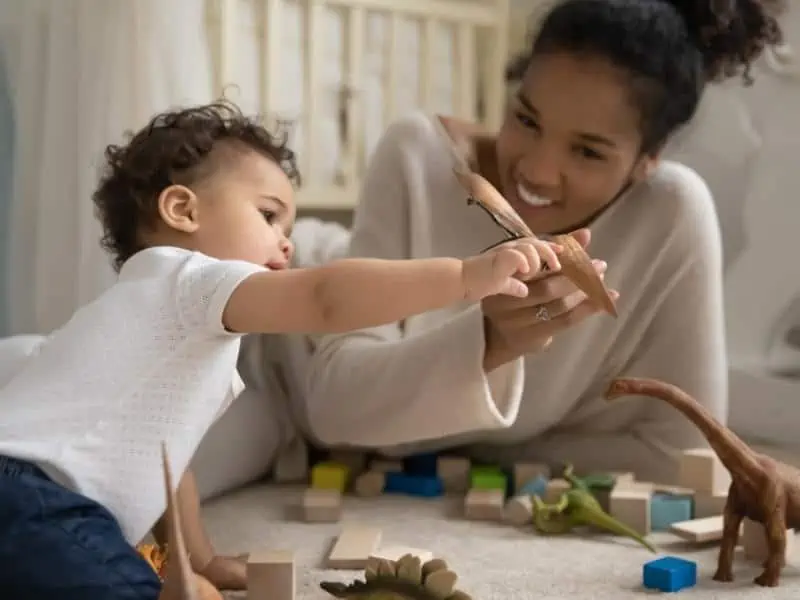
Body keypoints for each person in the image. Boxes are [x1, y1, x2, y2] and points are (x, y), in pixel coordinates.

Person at [0, 100, 554, 600]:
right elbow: (326, 297)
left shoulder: (149, 324)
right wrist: (465, 275)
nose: (287, 241)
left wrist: (202, 561)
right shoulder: (193, 281)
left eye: (288, 225)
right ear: (182, 210)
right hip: (35, 500)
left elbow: (172, 469)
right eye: (268, 215)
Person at [299, 0, 785, 484]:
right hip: (285, 306)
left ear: (647, 160)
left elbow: (679, 457)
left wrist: (456, 436)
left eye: (587, 151)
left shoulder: (672, 210)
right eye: (527, 120)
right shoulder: (418, 158)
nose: (535, 170)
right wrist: (489, 343)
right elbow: (333, 414)